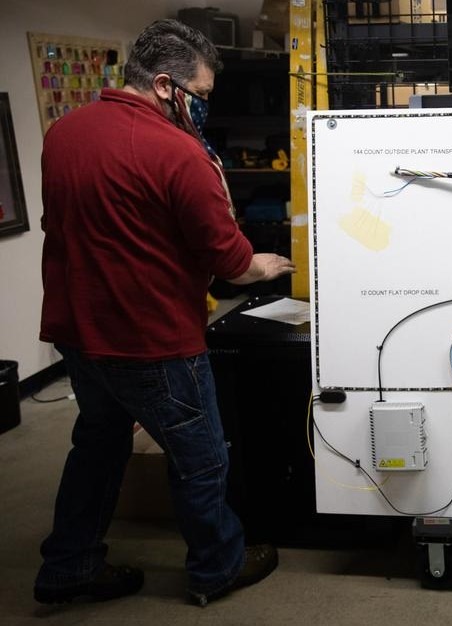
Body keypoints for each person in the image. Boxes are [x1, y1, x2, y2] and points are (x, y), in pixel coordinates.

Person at [34, 19, 295, 606]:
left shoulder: (65, 132)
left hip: (79, 333)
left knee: (97, 447)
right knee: (201, 459)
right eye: (199, 96)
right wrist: (267, 266)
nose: (203, 107)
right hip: (150, 340)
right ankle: (216, 567)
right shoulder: (178, 152)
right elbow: (230, 262)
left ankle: (69, 566)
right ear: (162, 85)